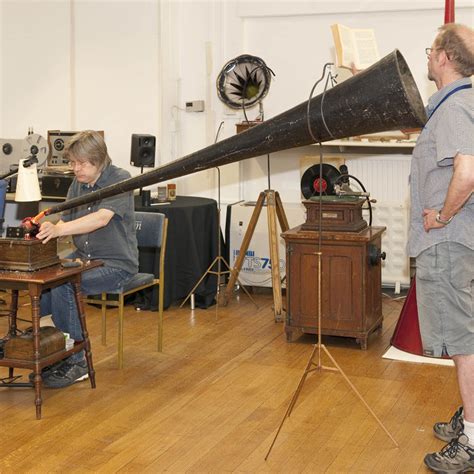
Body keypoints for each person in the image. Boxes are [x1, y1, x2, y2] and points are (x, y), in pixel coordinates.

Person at [407, 24, 474, 472]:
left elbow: (467, 173)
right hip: (456, 242)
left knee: (464, 340)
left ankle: (473, 437)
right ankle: (470, 416)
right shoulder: (457, 103)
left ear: (444, 58)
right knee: (463, 333)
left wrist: (443, 215)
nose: (428, 57)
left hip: (448, 241)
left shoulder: (455, 106)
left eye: (431, 51)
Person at [36, 130, 139, 388]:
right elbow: (66, 219)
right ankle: (49, 350)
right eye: (72, 163)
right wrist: (50, 230)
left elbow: (101, 218)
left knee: (65, 285)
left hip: (116, 265)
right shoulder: (78, 184)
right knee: (41, 287)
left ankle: (78, 360)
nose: (76, 168)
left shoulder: (120, 179)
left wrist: (60, 230)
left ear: (99, 159)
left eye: (81, 163)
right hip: (84, 258)